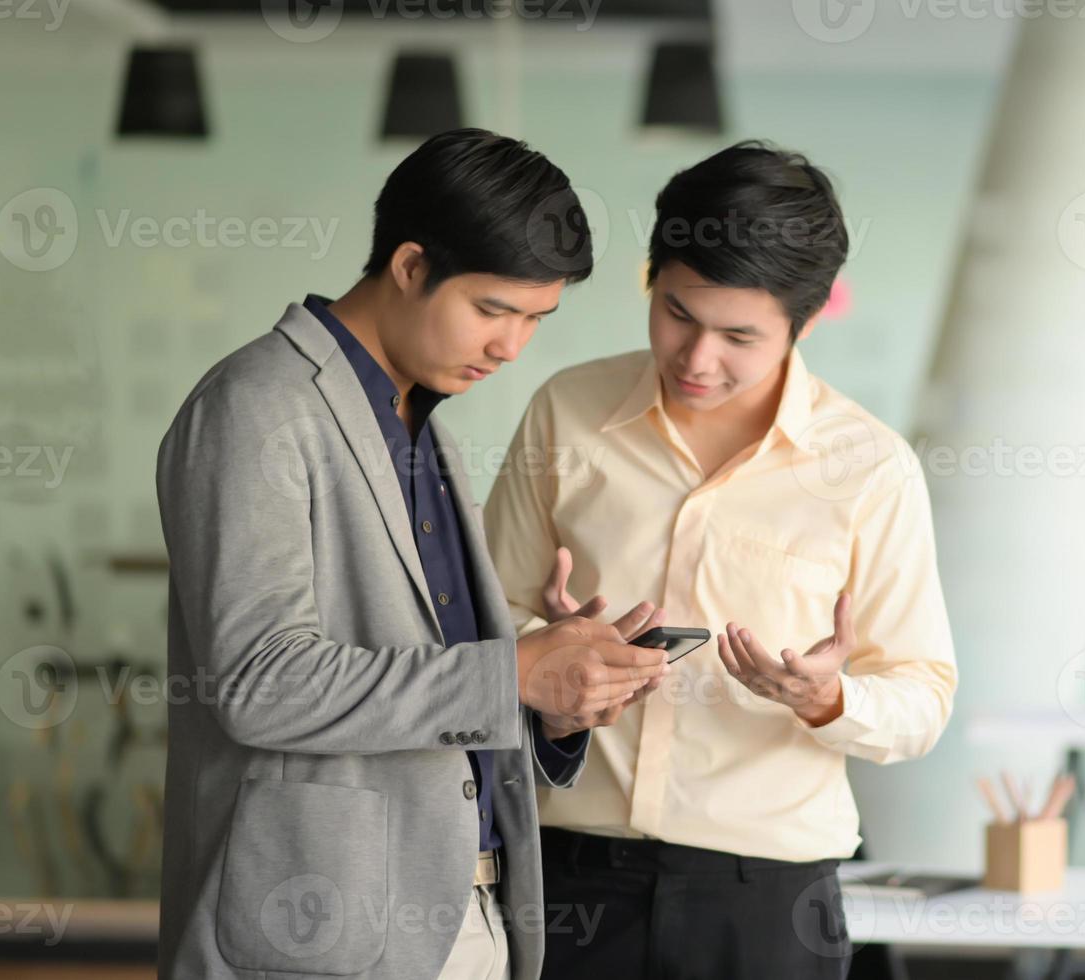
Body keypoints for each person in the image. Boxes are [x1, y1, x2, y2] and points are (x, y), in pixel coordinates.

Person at [154, 128, 670, 980]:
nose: (511, 347)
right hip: (318, 929)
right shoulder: (255, 408)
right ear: (407, 266)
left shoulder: (424, 428)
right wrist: (508, 672)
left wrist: (548, 691)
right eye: (492, 310)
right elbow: (260, 683)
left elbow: (425, 678)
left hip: (467, 913)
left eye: (535, 320)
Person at [482, 141, 959, 979]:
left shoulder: (868, 468)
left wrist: (826, 698)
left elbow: (922, 695)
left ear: (803, 323)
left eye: (739, 336)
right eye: (676, 315)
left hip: (768, 899)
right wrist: (548, 660)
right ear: (650, 280)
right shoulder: (568, 413)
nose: (697, 360)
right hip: (570, 876)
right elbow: (483, 633)